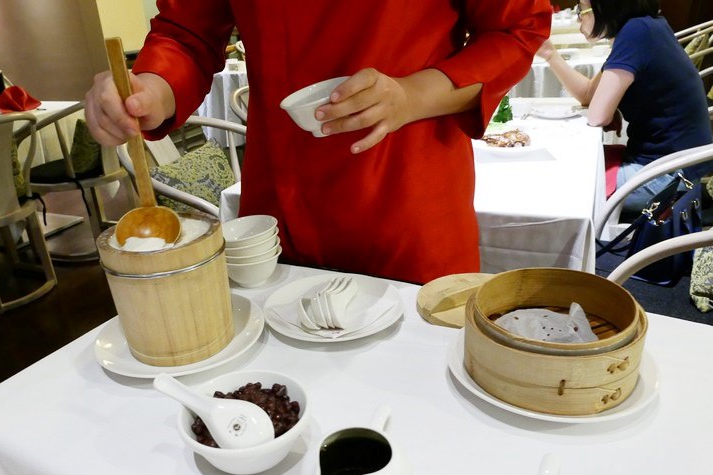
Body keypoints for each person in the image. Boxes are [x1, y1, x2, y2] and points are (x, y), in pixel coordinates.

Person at [86, 1, 551, 283]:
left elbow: (516, 29)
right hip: (279, 204)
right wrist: (152, 88)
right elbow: (187, 33)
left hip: (407, 196)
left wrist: (411, 95)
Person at [537, 0, 713, 215]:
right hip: (678, 168)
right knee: (565, 162)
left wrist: (610, 110)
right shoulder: (647, 26)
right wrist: (550, 54)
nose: (578, 18)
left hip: (665, 178)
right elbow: (589, 95)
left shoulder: (635, 33)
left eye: (581, 8)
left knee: (555, 180)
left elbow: (597, 116)